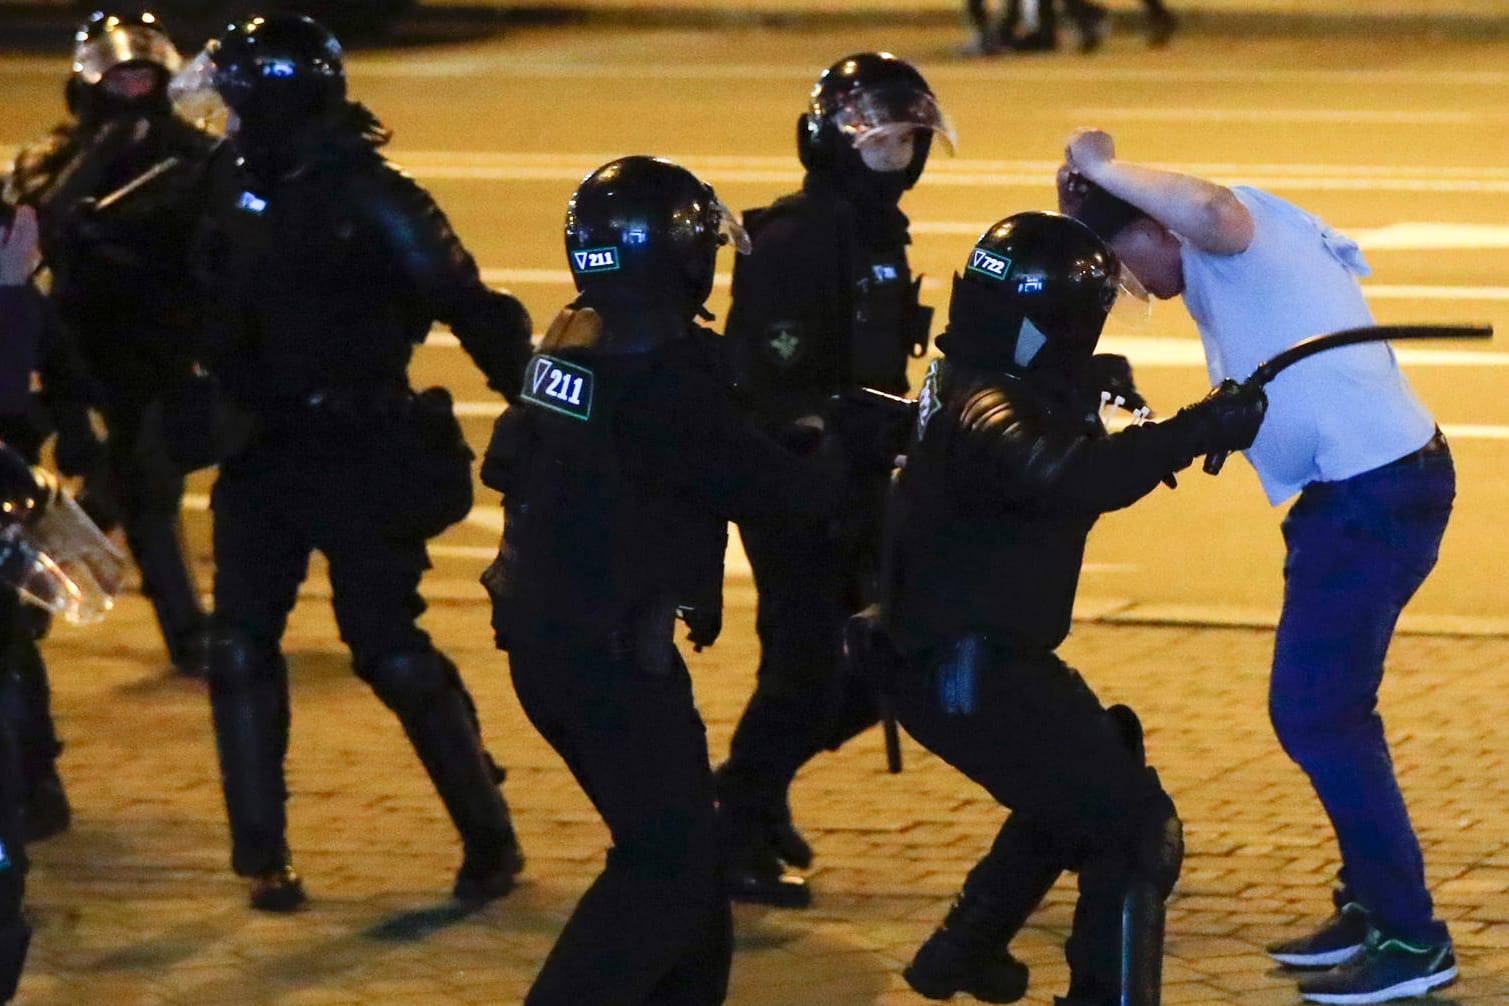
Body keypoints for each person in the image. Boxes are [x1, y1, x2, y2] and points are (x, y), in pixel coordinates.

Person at [1060, 128, 1458, 1004]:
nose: (1130, 286)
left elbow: (1203, 204)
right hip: (1349, 499)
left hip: (1373, 497)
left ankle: (1411, 940)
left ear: (1153, 224)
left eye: (1120, 257)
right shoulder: (1217, 259)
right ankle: (1369, 907)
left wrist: (1098, 170)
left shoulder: (1223, 235)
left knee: (1317, 715)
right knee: (1331, 713)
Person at [172, 14, 534, 912]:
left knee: (388, 650)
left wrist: (543, 417)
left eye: (238, 89)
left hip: (361, 449)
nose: (225, 105)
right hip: (259, 447)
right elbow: (190, 288)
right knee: (239, 646)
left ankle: (488, 834)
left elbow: (474, 307)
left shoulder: (375, 195)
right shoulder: (230, 177)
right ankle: (261, 854)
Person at [481, 155, 858, 1006]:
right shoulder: (667, 377)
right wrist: (839, 445)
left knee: (690, 869)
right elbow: (790, 499)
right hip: (609, 661)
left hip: (553, 638)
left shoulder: (577, 338)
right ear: (683, 258)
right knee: (663, 868)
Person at [876, 211, 1265, 1005]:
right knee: (1131, 830)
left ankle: (961, 949)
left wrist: (1087, 384)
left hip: (958, 660)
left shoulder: (971, 376)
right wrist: (1198, 427)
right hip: (972, 670)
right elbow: (1065, 475)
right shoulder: (988, 406)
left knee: (1087, 775)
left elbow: (1034, 425)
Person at [717, 50, 951, 908]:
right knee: (805, 668)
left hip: (860, 484)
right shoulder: (796, 236)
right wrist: (820, 433)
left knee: (884, 660)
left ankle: (749, 787)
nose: (896, 158)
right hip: (798, 490)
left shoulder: (877, 233)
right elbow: (764, 379)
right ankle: (733, 826)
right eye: (880, 143)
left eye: (906, 144)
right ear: (832, 141)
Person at [4, 10, 218, 678]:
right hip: (82, 339)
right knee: (135, 479)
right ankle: (184, 632)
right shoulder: (55, 152)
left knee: (127, 479)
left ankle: (31, 599)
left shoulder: (192, 152)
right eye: (120, 76)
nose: (134, 87)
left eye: (144, 75)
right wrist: (102, 153)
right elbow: (36, 225)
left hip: (166, 339)